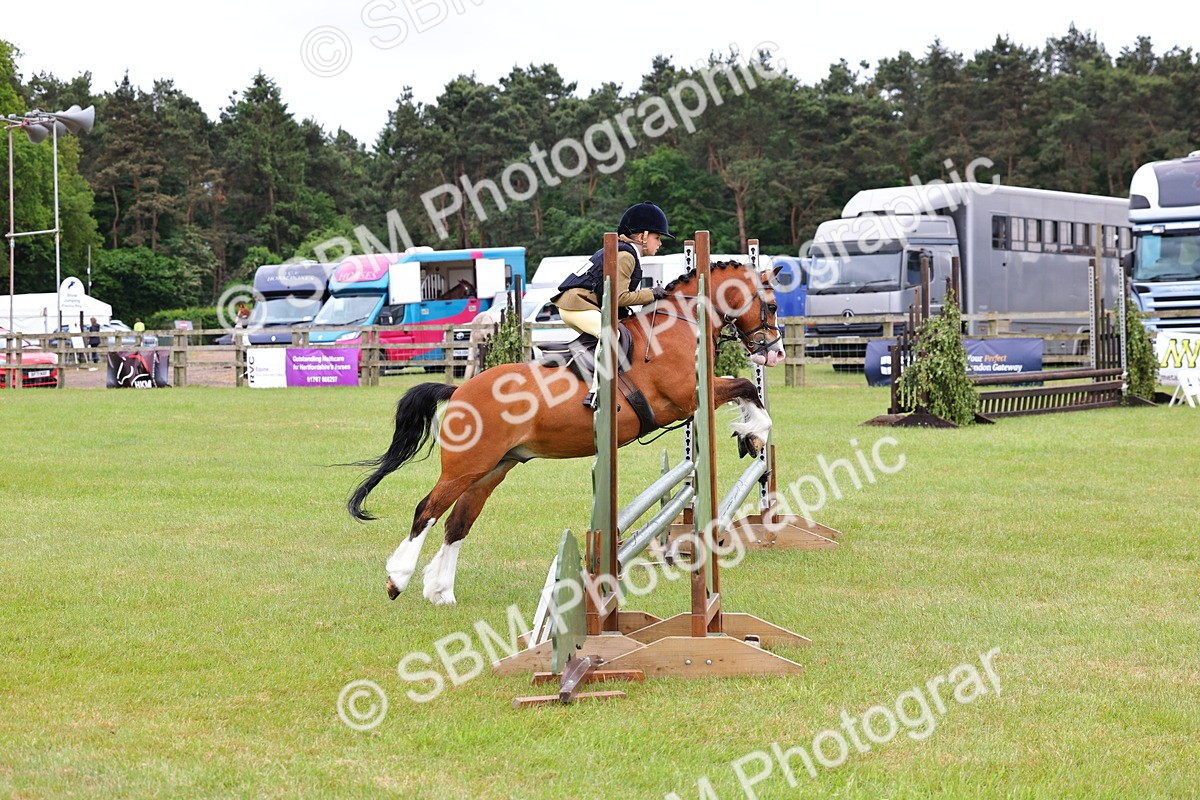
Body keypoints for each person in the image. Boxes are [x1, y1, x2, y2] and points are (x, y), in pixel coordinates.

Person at [552, 201, 673, 407]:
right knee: (611, 333)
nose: (659, 243)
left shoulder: (624, 251)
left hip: (579, 303)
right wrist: (651, 294)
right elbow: (618, 298)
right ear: (643, 236)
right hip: (578, 305)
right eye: (657, 237)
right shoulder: (626, 256)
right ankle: (597, 393)